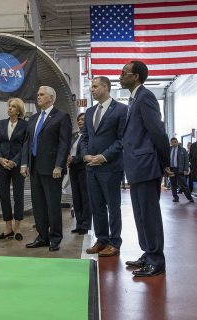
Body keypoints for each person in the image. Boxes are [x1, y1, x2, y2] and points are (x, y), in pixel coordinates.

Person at [120, 60, 172, 277]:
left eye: (124, 73)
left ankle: (157, 260)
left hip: (146, 165)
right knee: (141, 214)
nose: (120, 76)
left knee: (149, 215)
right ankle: (148, 253)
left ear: (136, 77)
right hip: (136, 166)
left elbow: (158, 132)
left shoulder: (146, 97)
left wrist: (166, 162)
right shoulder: (134, 99)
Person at [21, 86, 72, 252]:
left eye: (41, 95)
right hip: (35, 168)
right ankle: (42, 236)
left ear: (51, 97)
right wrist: (24, 163)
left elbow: (64, 144)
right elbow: (27, 143)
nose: (38, 97)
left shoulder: (61, 117)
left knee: (52, 205)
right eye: (37, 95)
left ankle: (55, 238)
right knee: (38, 205)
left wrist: (59, 165)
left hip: (52, 169)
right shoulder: (34, 118)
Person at [81, 76, 127, 258]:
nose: (91, 89)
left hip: (110, 167)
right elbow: (85, 137)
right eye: (91, 87)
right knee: (97, 206)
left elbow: (122, 139)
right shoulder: (90, 111)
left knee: (113, 207)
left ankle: (114, 243)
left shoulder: (122, 110)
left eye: (95, 86)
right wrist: (85, 154)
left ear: (106, 87)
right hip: (91, 166)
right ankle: (102, 240)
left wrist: (104, 156)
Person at [0, 98, 28, 241]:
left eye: (13, 107)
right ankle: (8, 228)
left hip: (17, 166)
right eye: (9, 106)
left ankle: (17, 228)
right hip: (2, 165)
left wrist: (14, 161)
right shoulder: (1, 123)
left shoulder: (25, 125)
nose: (10, 108)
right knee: (4, 196)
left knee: (18, 196)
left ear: (19, 110)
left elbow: (25, 146)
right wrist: (0, 159)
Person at [66, 113, 92, 235]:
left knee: (85, 197)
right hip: (73, 168)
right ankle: (79, 223)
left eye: (83, 119)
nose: (80, 121)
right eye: (79, 120)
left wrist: (73, 159)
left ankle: (85, 225)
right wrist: (67, 158)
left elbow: (86, 153)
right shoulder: (75, 136)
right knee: (76, 197)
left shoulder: (90, 136)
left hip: (84, 168)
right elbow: (69, 149)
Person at [169, 137, 194, 203]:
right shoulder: (169, 150)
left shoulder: (183, 150)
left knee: (183, 185)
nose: (174, 143)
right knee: (173, 184)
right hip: (171, 170)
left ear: (177, 142)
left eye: (175, 142)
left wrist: (185, 169)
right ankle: (175, 197)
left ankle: (190, 198)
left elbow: (186, 160)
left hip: (179, 169)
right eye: (172, 142)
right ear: (170, 143)